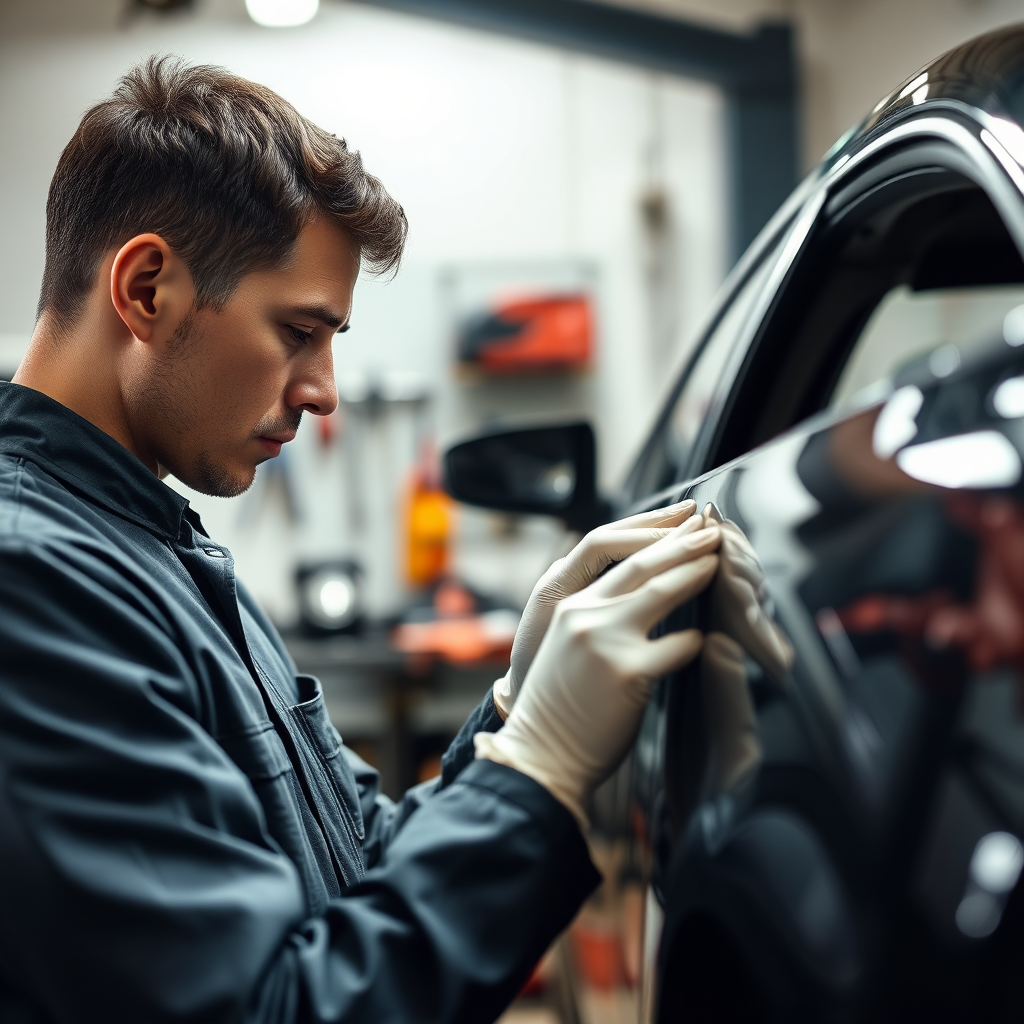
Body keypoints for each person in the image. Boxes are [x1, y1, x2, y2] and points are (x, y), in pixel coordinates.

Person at [0, 57, 721, 1024]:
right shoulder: (34, 585)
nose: (324, 390)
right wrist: (538, 773)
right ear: (144, 289)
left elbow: (355, 862)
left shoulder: (155, 549)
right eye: (299, 332)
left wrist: (515, 713)